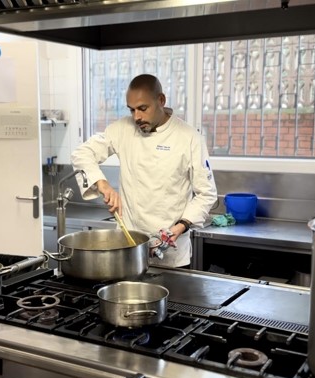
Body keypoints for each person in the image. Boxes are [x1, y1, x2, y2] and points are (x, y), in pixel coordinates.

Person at [71, 74, 217, 268]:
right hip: (128, 249)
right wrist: (102, 184)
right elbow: (82, 153)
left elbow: (206, 194)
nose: (136, 117)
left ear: (161, 100)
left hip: (171, 254)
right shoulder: (122, 128)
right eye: (131, 110)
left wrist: (180, 227)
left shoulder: (189, 138)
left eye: (142, 108)